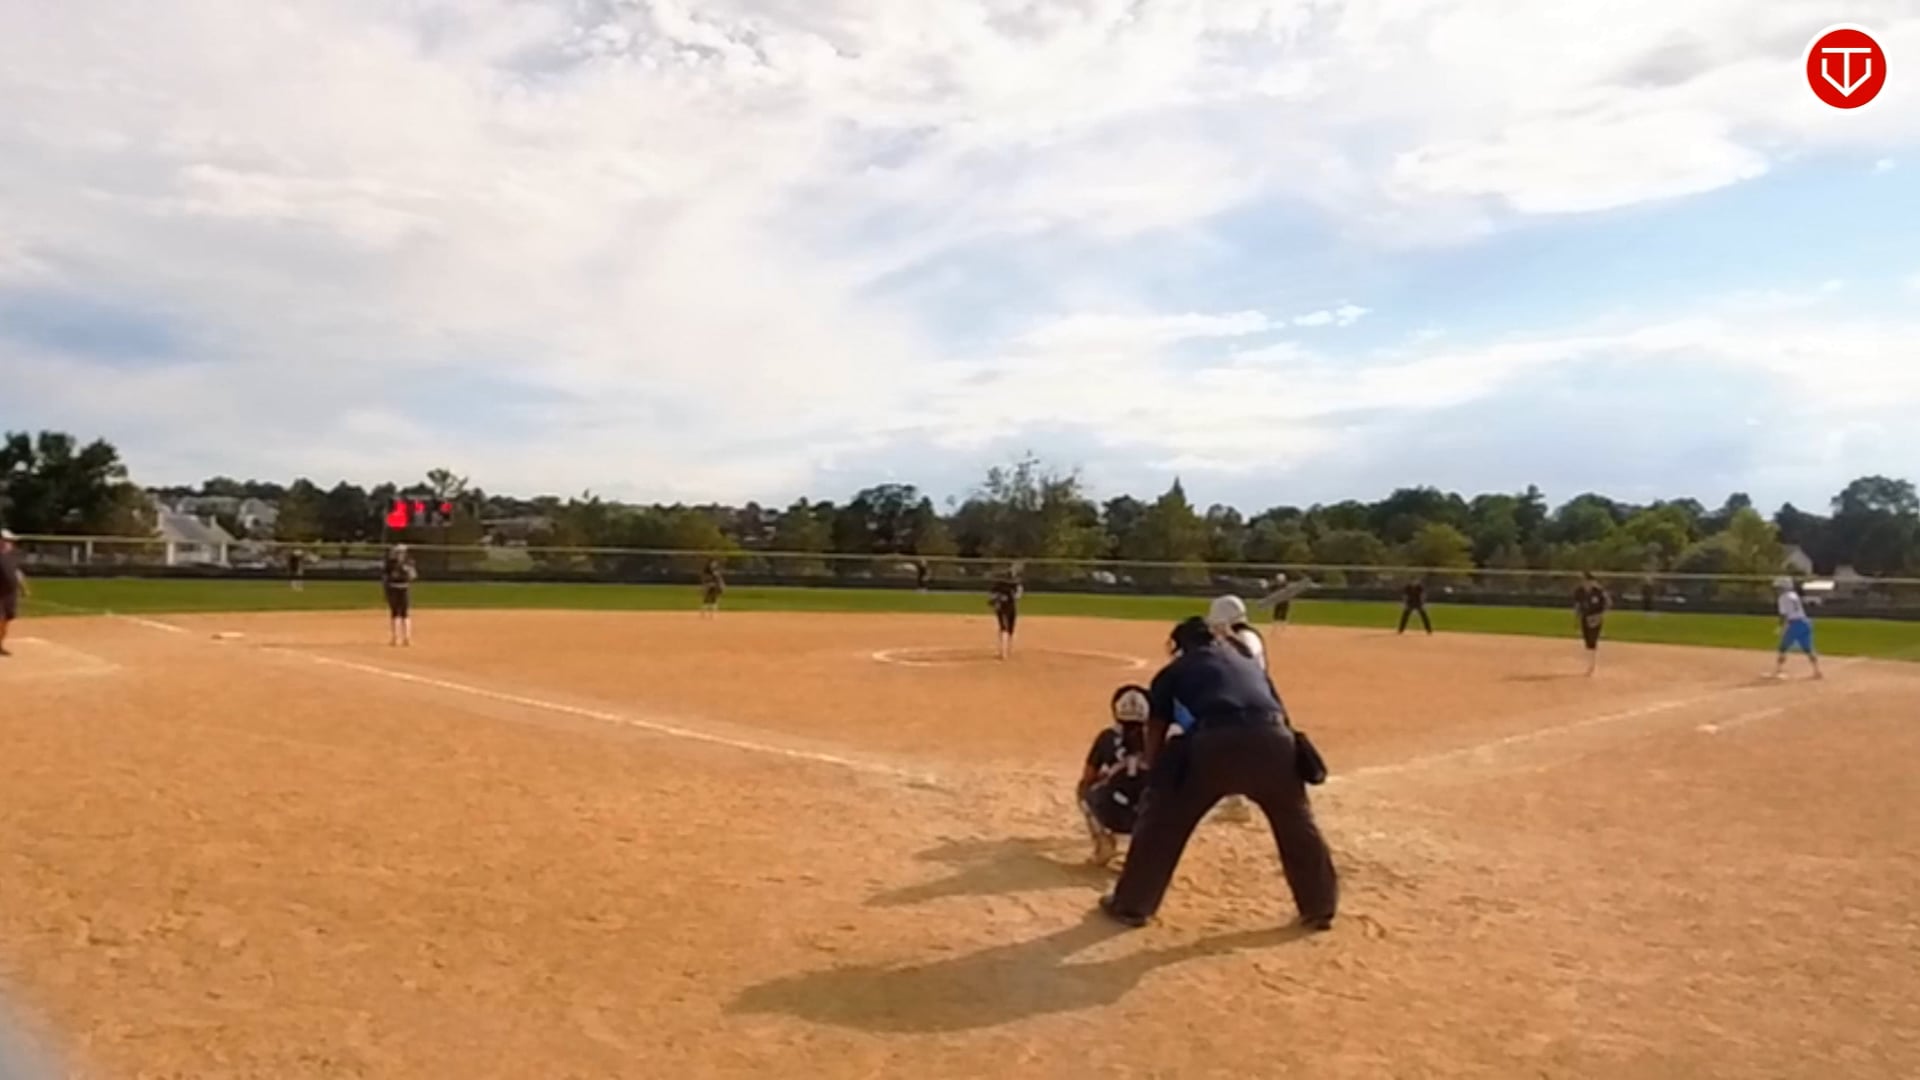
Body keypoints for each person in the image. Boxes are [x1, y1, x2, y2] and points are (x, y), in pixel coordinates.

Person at [1101, 616, 1339, 931]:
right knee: (1296, 824)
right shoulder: (1249, 665)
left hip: (1215, 744)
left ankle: (1132, 905)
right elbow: (1281, 714)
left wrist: (1153, 773)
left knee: (1164, 822)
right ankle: (1319, 908)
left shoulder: (1175, 670)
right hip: (1275, 743)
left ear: (1179, 645)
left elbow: (1156, 728)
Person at [1077, 685, 1152, 865]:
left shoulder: (1107, 736)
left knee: (1083, 791)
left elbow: (1088, 777)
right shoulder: (1156, 739)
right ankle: (1147, 852)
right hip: (1148, 817)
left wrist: (1108, 776)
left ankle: (1103, 842)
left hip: (1112, 815)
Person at [1771, 577, 1823, 680]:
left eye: (1779, 587)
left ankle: (1778, 670)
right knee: (1808, 648)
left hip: (1795, 624)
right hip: (1805, 622)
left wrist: (1780, 626)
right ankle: (1817, 671)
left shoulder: (1783, 597)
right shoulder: (1794, 595)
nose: (1777, 590)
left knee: (1783, 647)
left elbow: (1784, 615)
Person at [1573, 571, 1610, 676]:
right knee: (1586, 640)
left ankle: (1592, 665)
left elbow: (1607, 604)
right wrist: (1576, 618)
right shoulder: (1579, 591)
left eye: (1586, 580)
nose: (1584, 582)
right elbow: (1577, 605)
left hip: (1595, 617)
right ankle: (1589, 662)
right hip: (1585, 617)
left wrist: (1599, 616)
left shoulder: (1599, 591)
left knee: (1593, 639)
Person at [382, 543, 417, 647]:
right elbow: (385, 578)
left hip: (404, 588)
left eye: (401, 552)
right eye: (398, 552)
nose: (399, 554)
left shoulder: (409, 562)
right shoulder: (390, 563)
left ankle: (407, 638)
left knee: (405, 614)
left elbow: (413, 576)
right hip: (393, 588)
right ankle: (395, 637)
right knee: (395, 613)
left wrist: (408, 572)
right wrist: (386, 590)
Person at [0, 529, 27, 658]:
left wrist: (23, 588)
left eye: (11, 541)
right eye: (7, 540)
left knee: (6, 621)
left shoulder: (12, 556)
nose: (10, 543)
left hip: (10, 595)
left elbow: (17, 572)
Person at [988, 566, 1023, 661]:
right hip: (1010, 608)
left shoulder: (998, 585)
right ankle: (1006, 651)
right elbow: (1018, 596)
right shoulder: (1014, 585)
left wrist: (996, 600)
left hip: (1003, 608)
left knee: (1005, 629)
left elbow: (991, 598)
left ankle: (1004, 652)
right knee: (1008, 630)